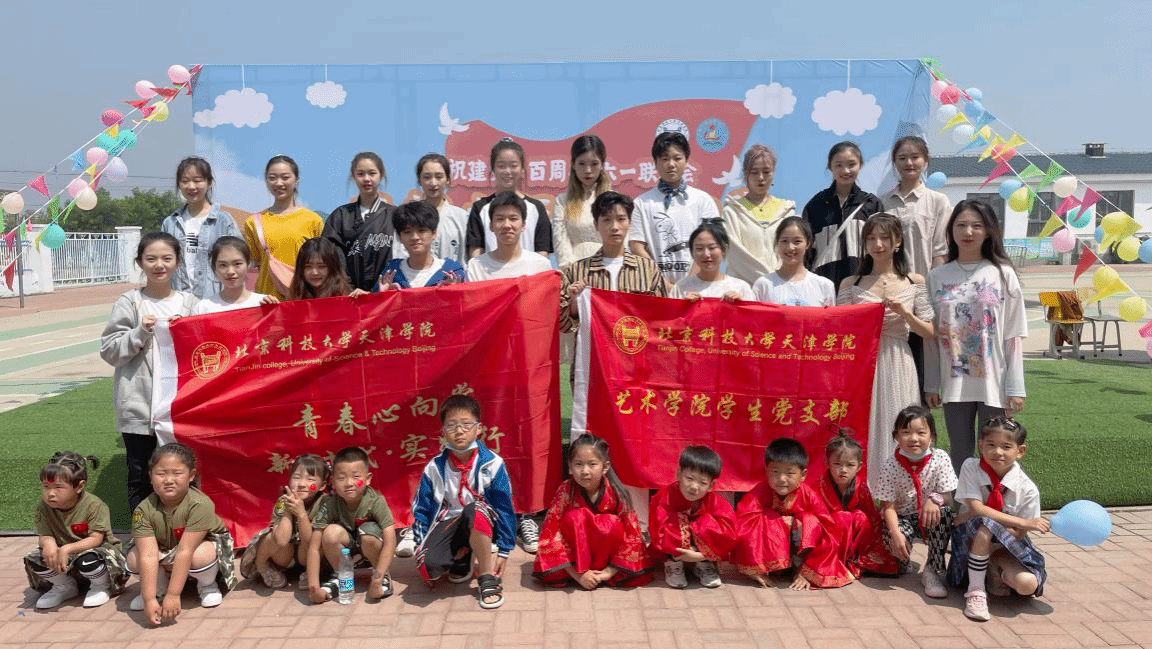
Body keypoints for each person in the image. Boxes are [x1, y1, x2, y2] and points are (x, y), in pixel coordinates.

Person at [925, 199, 1027, 474]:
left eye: (976, 226)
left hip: (994, 382)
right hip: (954, 382)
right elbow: (931, 336)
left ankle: (994, 500)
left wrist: (1015, 387)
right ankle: (963, 501)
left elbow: (1014, 335)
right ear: (951, 230)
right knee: (959, 453)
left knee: (995, 452)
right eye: (961, 225)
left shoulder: (1003, 274)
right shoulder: (936, 276)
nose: (968, 232)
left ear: (989, 230)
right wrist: (932, 383)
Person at [99, 232, 199, 513]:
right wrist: (140, 332)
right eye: (151, 259)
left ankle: (184, 530)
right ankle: (143, 533)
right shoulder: (130, 302)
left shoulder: (191, 304)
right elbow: (110, 351)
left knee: (184, 474)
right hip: (139, 407)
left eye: (167, 258)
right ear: (140, 262)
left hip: (180, 409)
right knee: (140, 476)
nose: (159, 265)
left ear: (178, 262)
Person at [836, 214, 935, 487]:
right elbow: (840, 332)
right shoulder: (851, 284)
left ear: (897, 241)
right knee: (865, 425)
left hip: (899, 360)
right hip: (862, 365)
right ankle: (863, 490)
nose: (877, 244)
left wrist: (905, 314)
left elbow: (929, 331)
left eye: (884, 237)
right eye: (871, 238)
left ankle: (905, 490)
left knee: (902, 422)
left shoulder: (914, 281)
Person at [410, 395, 516, 609]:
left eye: (466, 424)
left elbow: (504, 508)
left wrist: (504, 550)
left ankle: (486, 577)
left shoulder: (493, 464)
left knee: (475, 509)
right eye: (452, 425)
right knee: (429, 568)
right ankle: (464, 555)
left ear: (478, 429)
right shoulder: (434, 468)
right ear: (443, 431)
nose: (459, 431)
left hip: (484, 522)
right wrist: (420, 546)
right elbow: (421, 510)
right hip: (450, 523)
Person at [948, 417, 1049, 622]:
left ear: (1020, 451)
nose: (997, 452)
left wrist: (997, 525)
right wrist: (1022, 522)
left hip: (1004, 547)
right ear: (981, 446)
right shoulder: (971, 466)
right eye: (991, 445)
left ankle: (992, 569)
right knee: (985, 525)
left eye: (1006, 446)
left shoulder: (1027, 489)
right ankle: (976, 591)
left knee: (1027, 585)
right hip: (969, 541)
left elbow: (1018, 535)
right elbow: (977, 508)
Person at [126, 443, 236, 625]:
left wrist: (173, 595)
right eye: (161, 474)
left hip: (195, 552)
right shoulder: (143, 509)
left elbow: (185, 550)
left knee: (200, 555)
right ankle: (158, 589)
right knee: (134, 558)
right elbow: (148, 554)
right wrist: (149, 599)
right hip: (167, 552)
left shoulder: (200, 504)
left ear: (191, 475)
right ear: (150, 477)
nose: (169, 480)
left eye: (177, 473)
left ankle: (207, 585)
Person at [532, 434, 652, 589]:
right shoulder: (565, 490)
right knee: (575, 518)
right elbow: (549, 533)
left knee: (611, 523)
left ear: (605, 467)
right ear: (570, 466)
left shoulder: (617, 492)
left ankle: (600, 573)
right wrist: (578, 575)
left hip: (609, 561)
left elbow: (633, 535)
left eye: (592, 464)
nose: (585, 471)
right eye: (578, 464)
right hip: (574, 561)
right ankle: (583, 572)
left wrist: (608, 572)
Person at [733, 438, 853, 591]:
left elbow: (828, 529)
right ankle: (771, 567)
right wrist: (754, 568)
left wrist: (807, 572)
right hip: (771, 556)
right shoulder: (759, 492)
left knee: (809, 521)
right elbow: (742, 524)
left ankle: (799, 569)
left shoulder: (809, 495)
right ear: (766, 470)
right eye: (775, 472)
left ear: (803, 475)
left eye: (789, 473)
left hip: (801, 557)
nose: (781, 479)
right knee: (764, 517)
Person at [883, 136, 952, 395]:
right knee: (893, 364)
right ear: (894, 163)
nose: (909, 163)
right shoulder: (882, 202)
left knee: (925, 363)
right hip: (892, 293)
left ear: (925, 161)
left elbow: (941, 250)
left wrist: (929, 291)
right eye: (902, 158)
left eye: (915, 157)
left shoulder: (937, 201)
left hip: (924, 291)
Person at [24, 452, 127, 609]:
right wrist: (49, 544)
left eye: (58, 487)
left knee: (87, 559)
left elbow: (96, 539)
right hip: (65, 558)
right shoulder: (43, 507)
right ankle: (64, 586)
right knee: (35, 559)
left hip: (95, 553)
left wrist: (67, 549)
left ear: (79, 486)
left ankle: (101, 585)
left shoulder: (94, 505)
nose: (50, 493)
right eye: (46, 486)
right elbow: (45, 534)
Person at [874, 405, 957, 599]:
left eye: (921, 433)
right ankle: (904, 559)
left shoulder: (940, 458)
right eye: (906, 432)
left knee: (944, 513)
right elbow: (888, 507)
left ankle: (932, 570)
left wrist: (935, 499)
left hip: (929, 516)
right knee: (898, 566)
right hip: (902, 518)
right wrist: (895, 534)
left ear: (932, 436)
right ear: (896, 436)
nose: (913, 439)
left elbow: (948, 496)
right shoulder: (890, 465)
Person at [560, 191, 667, 333]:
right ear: (596, 225)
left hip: (634, 343)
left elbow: (663, 318)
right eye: (607, 220)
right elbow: (564, 327)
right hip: (594, 346)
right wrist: (574, 303)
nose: (614, 227)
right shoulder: (577, 270)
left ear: (630, 222)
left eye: (621, 219)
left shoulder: (648, 269)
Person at [305, 446, 397, 603]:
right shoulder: (330, 503)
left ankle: (382, 579)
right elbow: (314, 546)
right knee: (330, 533)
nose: (348, 483)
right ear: (333, 481)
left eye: (356, 477)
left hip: (371, 550)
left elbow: (390, 540)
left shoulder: (376, 502)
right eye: (341, 478)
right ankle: (341, 577)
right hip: (346, 553)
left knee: (368, 535)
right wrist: (313, 587)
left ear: (368, 479)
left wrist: (378, 577)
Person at [629, 131, 720, 285]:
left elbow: (712, 243)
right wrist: (661, 282)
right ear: (655, 163)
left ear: (686, 161)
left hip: (699, 287)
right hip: (656, 289)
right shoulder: (640, 203)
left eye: (677, 158)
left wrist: (689, 283)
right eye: (665, 159)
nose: (671, 164)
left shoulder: (703, 200)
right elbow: (637, 247)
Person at [648, 445, 736, 589]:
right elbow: (657, 531)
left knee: (706, 523)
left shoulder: (716, 502)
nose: (694, 487)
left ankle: (704, 564)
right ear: (678, 474)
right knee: (672, 521)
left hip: (700, 553)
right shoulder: (664, 497)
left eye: (703, 482)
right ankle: (673, 564)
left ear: (711, 485)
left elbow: (728, 535)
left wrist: (701, 555)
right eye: (689, 478)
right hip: (673, 549)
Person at [816, 431, 901, 578]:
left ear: (859, 466)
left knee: (861, 517)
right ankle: (836, 560)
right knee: (842, 517)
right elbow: (814, 516)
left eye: (850, 465)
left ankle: (855, 559)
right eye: (837, 464)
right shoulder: (819, 486)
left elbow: (872, 518)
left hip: (855, 541)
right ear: (827, 463)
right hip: (829, 537)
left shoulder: (861, 487)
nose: (843, 470)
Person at [239, 454, 329, 590]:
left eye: (310, 479)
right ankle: (262, 566)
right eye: (296, 478)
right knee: (269, 537)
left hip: (309, 554)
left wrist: (301, 514)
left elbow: (311, 543)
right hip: (286, 557)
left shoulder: (325, 503)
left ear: (322, 486)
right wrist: (288, 508)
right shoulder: (282, 501)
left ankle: (310, 572)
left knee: (320, 537)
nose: (301, 484)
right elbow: (281, 540)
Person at [801, 141, 884, 288]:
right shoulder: (816, 205)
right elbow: (806, 251)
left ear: (860, 165)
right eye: (839, 165)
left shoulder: (871, 204)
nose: (845, 171)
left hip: (863, 285)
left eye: (851, 164)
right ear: (830, 167)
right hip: (824, 286)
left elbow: (883, 247)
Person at [243, 155, 324, 300]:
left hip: (304, 300)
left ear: (296, 179)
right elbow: (254, 264)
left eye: (285, 177)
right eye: (272, 178)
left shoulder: (313, 220)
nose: (279, 183)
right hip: (267, 301)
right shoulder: (253, 222)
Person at [161, 156, 243, 299]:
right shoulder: (170, 223)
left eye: (197, 180)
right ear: (179, 184)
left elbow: (238, 261)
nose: (191, 186)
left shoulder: (223, 221)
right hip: (178, 300)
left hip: (215, 299)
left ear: (209, 182)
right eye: (185, 181)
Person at [721, 145, 796, 284]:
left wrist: (778, 281)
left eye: (766, 172)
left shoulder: (786, 211)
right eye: (754, 172)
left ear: (773, 172)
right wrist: (768, 280)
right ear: (745, 173)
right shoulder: (732, 211)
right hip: (744, 291)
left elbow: (791, 252)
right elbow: (736, 256)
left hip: (780, 289)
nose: (761, 177)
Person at [323, 152, 398, 291]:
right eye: (361, 174)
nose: (367, 179)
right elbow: (330, 259)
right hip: (349, 296)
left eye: (372, 173)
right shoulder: (340, 216)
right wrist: (348, 290)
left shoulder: (395, 216)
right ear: (353, 176)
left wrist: (378, 290)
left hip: (386, 293)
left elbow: (403, 258)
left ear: (381, 175)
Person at [465, 139, 552, 259]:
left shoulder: (536, 208)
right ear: (493, 169)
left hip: (529, 271)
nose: (507, 171)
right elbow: (476, 251)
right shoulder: (480, 208)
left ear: (522, 169)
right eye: (501, 166)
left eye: (513, 166)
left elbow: (542, 251)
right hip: (490, 271)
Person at [553, 134, 612, 269]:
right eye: (581, 164)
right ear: (573, 164)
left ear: (602, 164)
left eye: (594, 164)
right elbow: (560, 240)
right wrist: (571, 271)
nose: (588, 170)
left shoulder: (613, 200)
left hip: (609, 268)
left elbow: (622, 241)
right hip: (575, 270)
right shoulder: (563, 201)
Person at [465, 191, 553, 282]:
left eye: (513, 219)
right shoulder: (476, 267)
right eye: (500, 219)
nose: (507, 225)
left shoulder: (541, 265)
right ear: (491, 226)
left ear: (523, 225)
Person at [378, 201, 466, 290]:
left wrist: (454, 292)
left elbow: (465, 297)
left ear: (434, 233)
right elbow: (376, 297)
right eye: (407, 232)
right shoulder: (390, 273)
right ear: (399, 237)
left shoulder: (452, 272)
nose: (415, 237)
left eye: (421, 231)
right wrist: (383, 294)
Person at [752, 216, 835, 306]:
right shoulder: (763, 285)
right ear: (777, 243)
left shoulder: (824, 286)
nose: (790, 247)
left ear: (808, 244)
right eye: (784, 241)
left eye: (797, 241)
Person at [670, 221, 755, 302]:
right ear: (692, 252)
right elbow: (671, 312)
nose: (706, 254)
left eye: (712, 248)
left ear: (724, 249)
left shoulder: (741, 288)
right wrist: (683, 306)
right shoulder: (681, 288)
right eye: (699, 248)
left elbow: (752, 312)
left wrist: (740, 305)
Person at [409, 152, 468, 265]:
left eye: (439, 177)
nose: (433, 183)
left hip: (452, 275)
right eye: (427, 177)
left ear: (448, 179)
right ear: (419, 180)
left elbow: (466, 259)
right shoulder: (410, 215)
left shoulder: (461, 217)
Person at [192, 237, 276, 314]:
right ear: (214, 267)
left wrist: (274, 311)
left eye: (237, 264)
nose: (230, 271)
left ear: (248, 264)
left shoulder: (263, 304)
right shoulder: (202, 308)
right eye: (223, 265)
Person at [288, 238, 355, 299]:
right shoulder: (294, 299)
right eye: (308, 267)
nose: (315, 273)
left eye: (321, 266)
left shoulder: (347, 297)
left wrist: (360, 300)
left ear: (333, 268)